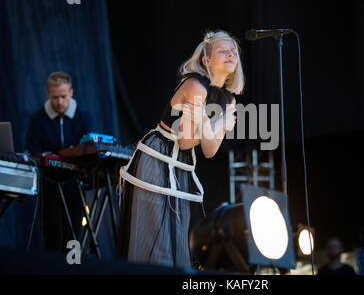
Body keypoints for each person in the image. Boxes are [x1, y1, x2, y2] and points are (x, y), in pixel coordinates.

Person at [117, 30, 244, 268]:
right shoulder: (196, 86)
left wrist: (216, 128)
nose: (231, 54)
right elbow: (186, 140)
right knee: (156, 240)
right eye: (223, 50)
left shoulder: (229, 100)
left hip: (182, 165)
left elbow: (210, 150)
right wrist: (219, 124)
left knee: (177, 238)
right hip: (158, 157)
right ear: (206, 60)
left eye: (234, 51)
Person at [25, 71, 94, 251]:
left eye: (63, 96)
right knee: (52, 236)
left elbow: (89, 150)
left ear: (71, 92)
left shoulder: (84, 117)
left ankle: (74, 269)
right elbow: (32, 153)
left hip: (75, 186)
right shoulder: (37, 120)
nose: (60, 102)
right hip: (49, 186)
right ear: (48, 94)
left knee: (74, 237)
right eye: (55, 97)